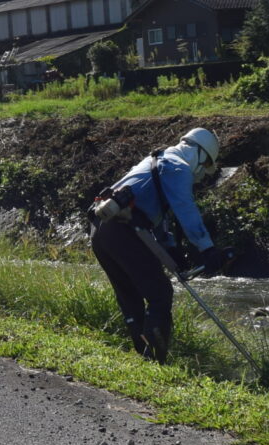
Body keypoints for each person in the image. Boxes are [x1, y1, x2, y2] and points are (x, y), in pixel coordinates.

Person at [88, 127, 226, 362]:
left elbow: (156, 217)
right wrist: (208, 248)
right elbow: (185, 208)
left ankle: (144, 356)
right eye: (205, 165)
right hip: (123, 231)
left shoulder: (158, 159)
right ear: (200, 153)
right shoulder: (178, 167)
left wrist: (171, 248)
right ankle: (156, 359)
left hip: (100, 231)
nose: (202, 172)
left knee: (130, 295)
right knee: (161, 293)